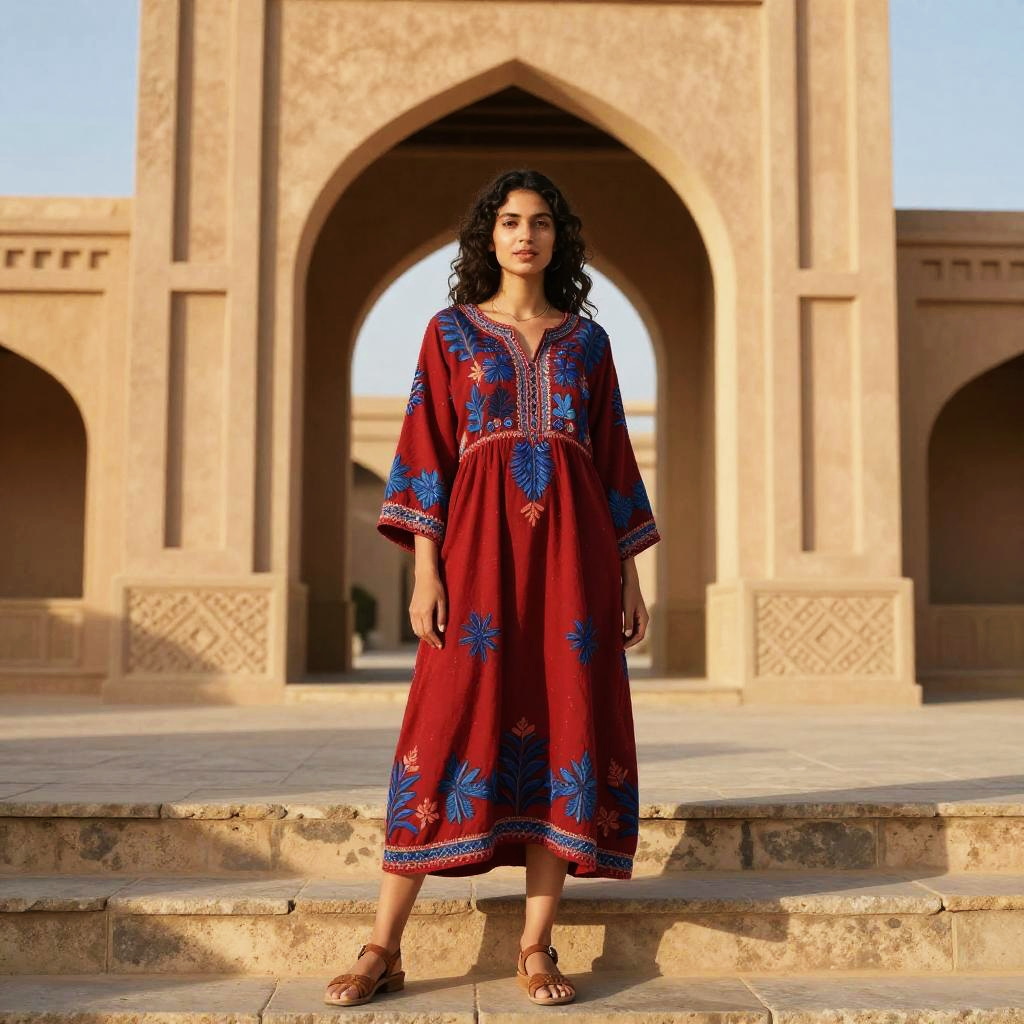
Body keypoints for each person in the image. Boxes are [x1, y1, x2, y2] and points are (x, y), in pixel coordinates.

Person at [324, 169, 660, 1007]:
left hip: (575, 566)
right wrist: (424, 570)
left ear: (558, 239)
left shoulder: (588, 343)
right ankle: (382, 944)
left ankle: (536, 947)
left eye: (542, 222)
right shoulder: (451, 335)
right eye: (510, 221)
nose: (525, 235)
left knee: (564, 723)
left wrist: (630, 576)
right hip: (475, 559)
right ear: (489, 236)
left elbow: (615, 462)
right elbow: (425, 456)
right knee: (443, 725)